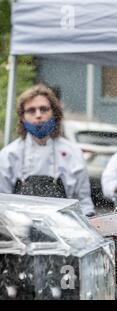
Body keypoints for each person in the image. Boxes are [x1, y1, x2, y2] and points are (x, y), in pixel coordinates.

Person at [0, 84, 95, 216]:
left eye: (44, 109)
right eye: (31, 110)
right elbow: (2, 203)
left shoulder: (73, 153)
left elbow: (84, 201)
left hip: (65, 230)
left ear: (54, 114)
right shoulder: (9, 155)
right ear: (22, 117)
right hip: (18, 231)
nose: (38, 115)